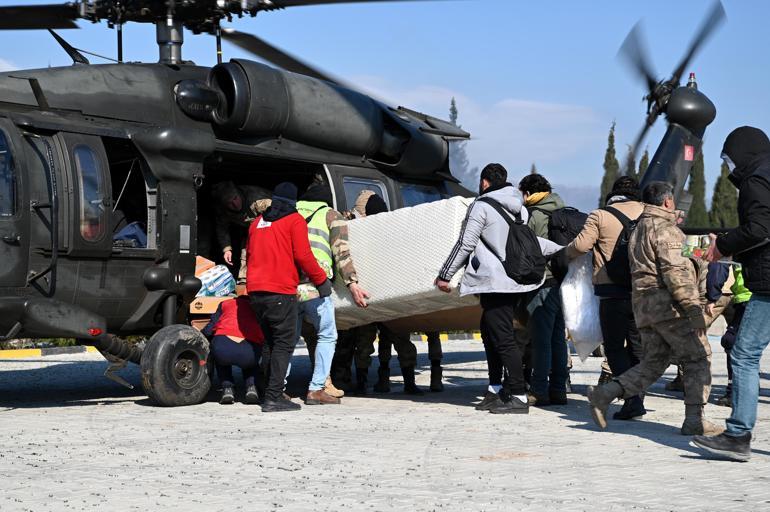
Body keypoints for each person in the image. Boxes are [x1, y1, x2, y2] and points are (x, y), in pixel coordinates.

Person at [587, 181, 721, 435]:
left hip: (645, 308)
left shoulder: (639, 228)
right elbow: (675, 271)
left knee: (653, 363)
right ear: (668, 201)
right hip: (669, 308)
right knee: (697, 358)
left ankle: (604, 395)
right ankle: (695, 419)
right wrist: (693, 308)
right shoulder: (665, 230)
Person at [436, 163, 561, 414]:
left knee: (502, 339)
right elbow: (530, 242)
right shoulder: (520, 209)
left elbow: (466, 242)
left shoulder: (481, 206)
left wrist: (445, 275)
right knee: (489, 332)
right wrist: (560, 250)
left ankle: (517, 395)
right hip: (515, 280)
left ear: (484, 183)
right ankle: (495, 390)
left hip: (495, 281)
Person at [693, 126, 770, 461]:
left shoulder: (756, 179)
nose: (728, 166)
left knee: (744, 353)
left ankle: (738, 435)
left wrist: (721, 245)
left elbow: (760, 229)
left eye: (728, 158)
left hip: (769, 281)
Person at [246, 182, 332, 413]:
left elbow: (251, 253)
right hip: (280, 291)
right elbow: (303, 255)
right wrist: (321, 281)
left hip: (255, 292)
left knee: (269, 344)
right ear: (294, 202)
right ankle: (274, 398)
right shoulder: (294, 220)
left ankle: (268, 392)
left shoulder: (256, 223)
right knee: (283, 344)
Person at [567, 176, 646, 420]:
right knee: (638, 346)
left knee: (613, 347)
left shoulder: (600, 215)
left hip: (612, 291)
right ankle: (638, 397)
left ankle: (631, 398)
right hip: (643, 291)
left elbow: (581, 246)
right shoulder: (648, 214)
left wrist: (563, 254)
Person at [294, 182, 370, 405]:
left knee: (286, 338)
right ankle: (318, 388)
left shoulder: (289, 212)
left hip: (288, 284)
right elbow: (341, 251)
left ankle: (279, 388)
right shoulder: (330, 214)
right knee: (327, 335)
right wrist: (353, 284)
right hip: (315, 285)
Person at [517, 173, 569, 407]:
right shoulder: (562, 209)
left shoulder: (536, 215)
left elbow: (527, 251)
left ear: (528, 193)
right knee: (558, 338)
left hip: (543, 283)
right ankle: (558, 390)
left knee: (541, 341)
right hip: (562, 281)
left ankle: (539, 390)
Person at [201, 296, 265, 405]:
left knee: (220, 358)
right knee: (251, 359)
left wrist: (201, 333)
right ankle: (251, 388)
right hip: (248, 350)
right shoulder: (257, 305)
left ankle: (227, 389)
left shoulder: (225, 303)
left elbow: (210, 329)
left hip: (223, 346)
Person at [211, 181, 271, 280]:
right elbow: (222, 228)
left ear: (238, 194)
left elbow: (277, 214)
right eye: (230, 203)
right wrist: (227, 249)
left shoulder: (257, 198)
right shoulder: (222, 210)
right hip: (250, 229)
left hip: (270, 226)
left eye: (235, 198)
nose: (235, 204)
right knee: (247, 250)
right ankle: (244, 281)